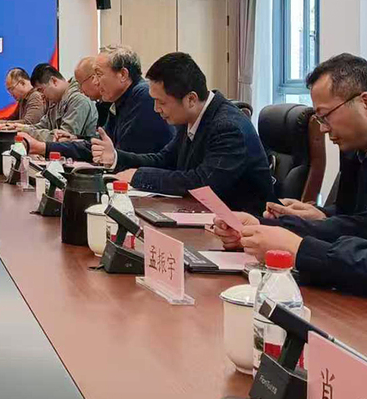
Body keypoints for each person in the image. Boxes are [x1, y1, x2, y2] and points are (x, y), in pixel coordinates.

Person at [213, 53, 367, 295]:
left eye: (326, 116)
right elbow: (357, 223)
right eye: (319, 119)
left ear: (364, 101)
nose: (323, 129)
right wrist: (264, 225)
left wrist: (298, 248)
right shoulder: (354, 149)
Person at [91, 52, 274, 214]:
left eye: (161, 102)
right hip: (204, 216)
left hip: (244, 225)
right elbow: (164, 160)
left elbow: (203, 183)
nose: (156, 109)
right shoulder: (191, 117)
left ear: (191, 99)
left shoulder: (227, 127)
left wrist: (139, 176)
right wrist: (116, 158)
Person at [24, 45, 174, 161]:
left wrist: (44, 147)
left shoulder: (144, 97)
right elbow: (101, 145)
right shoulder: (119, 100)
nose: (95, 82)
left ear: (123, 74)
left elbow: (122, 154)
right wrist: (75, 140)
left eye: (99, 75)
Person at [14, 65, 97, 142]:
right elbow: (43, 125)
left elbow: (62, 138)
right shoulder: (55, 101)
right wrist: (21, 128)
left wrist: (28, 131)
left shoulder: (78, 100)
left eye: (41, 90)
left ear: (54, 81)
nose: (41, 96)